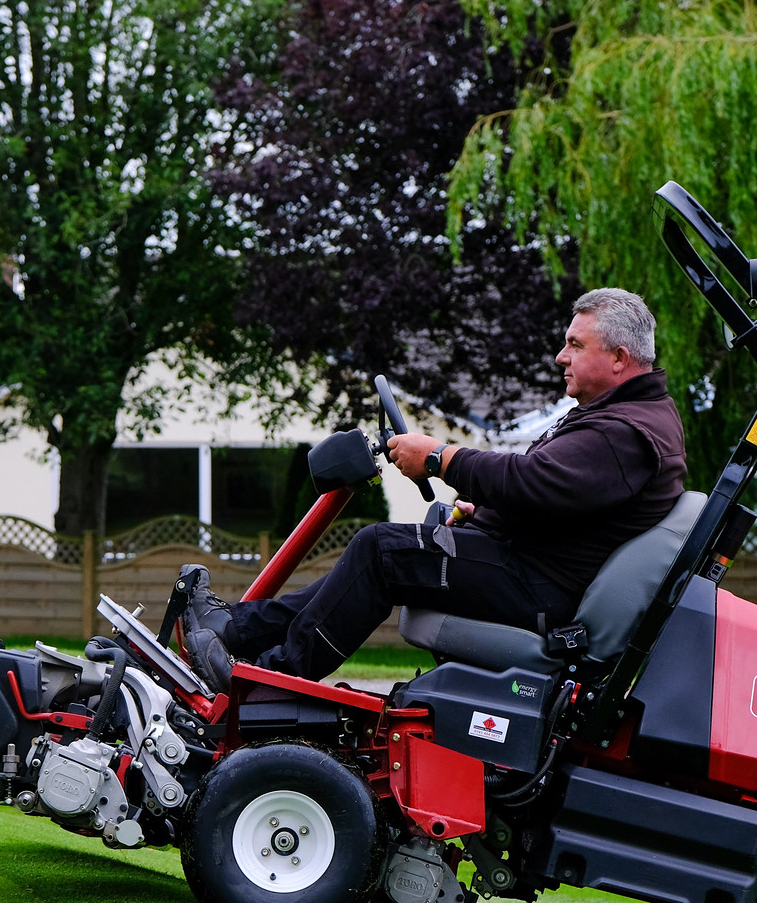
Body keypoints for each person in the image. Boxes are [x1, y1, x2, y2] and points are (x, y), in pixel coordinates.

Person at [181, 287, 688, 686]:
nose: (561, 356)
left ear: (620, 358)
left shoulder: (625, 433)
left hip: (540, 590)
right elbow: (561, 495)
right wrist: (485, 505)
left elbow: (535, 480)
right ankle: (234, 630)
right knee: (384, 550)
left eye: (575, 345)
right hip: (530, 568)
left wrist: (441, 458)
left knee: (381, 550)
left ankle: (275, 680)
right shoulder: (625, 418)